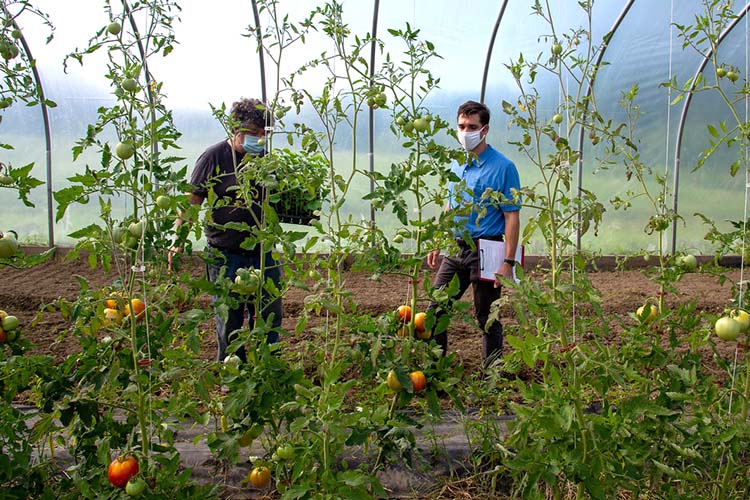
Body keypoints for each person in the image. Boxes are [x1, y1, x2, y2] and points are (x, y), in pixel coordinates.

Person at [169, 97, 282, 363]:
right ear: (236, 129)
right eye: (255, 134)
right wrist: (177, 240)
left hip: (263, 251)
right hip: (225, 253)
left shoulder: (265, 161)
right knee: (229, 320)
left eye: (264, 134)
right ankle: (233, 374)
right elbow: (192, 202)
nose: (260, 139)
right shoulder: (213, 157)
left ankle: (268, 370)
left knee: (269, 315)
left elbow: (279, 200)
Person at [426, 100, 521, 364]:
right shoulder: (457, 165)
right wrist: (437, 241)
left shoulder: (504, 167)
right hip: (457, 248)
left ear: (485, 129)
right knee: (436, 308)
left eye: (472, 127)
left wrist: (508, 262)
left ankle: (492, 374)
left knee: (487, 317)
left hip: (486, 248)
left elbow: (511, 215)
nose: (465, 132)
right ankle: (435, 366)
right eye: (461, 126)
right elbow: (449, 205)